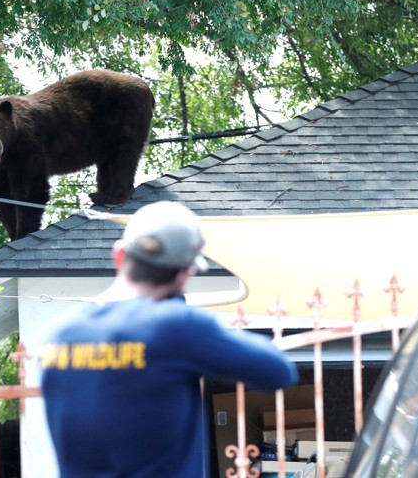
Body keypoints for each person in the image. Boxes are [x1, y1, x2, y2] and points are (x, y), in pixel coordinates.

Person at [40, 201, 298, 478]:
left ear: (119, 255)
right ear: (185, 273)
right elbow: (278, 371)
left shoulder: (59, 336)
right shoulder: (176, 327)